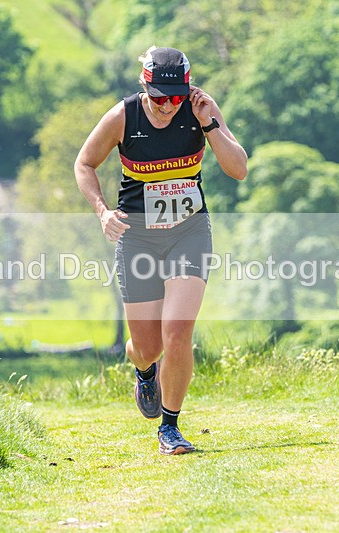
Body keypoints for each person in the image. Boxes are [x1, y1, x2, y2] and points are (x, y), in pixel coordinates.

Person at [74, 46, 247, 455]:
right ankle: (144, 369)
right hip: (138, 237)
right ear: (143, 86)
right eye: (159, 98)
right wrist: (102, 212)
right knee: (148, 346)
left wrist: (209, 126)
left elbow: (238, 168)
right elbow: (84, 164)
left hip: (189, 232)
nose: (169, 106)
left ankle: (169, 428)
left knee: (178, 330)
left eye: (176, 97)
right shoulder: (123, 116)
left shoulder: (199, 108)